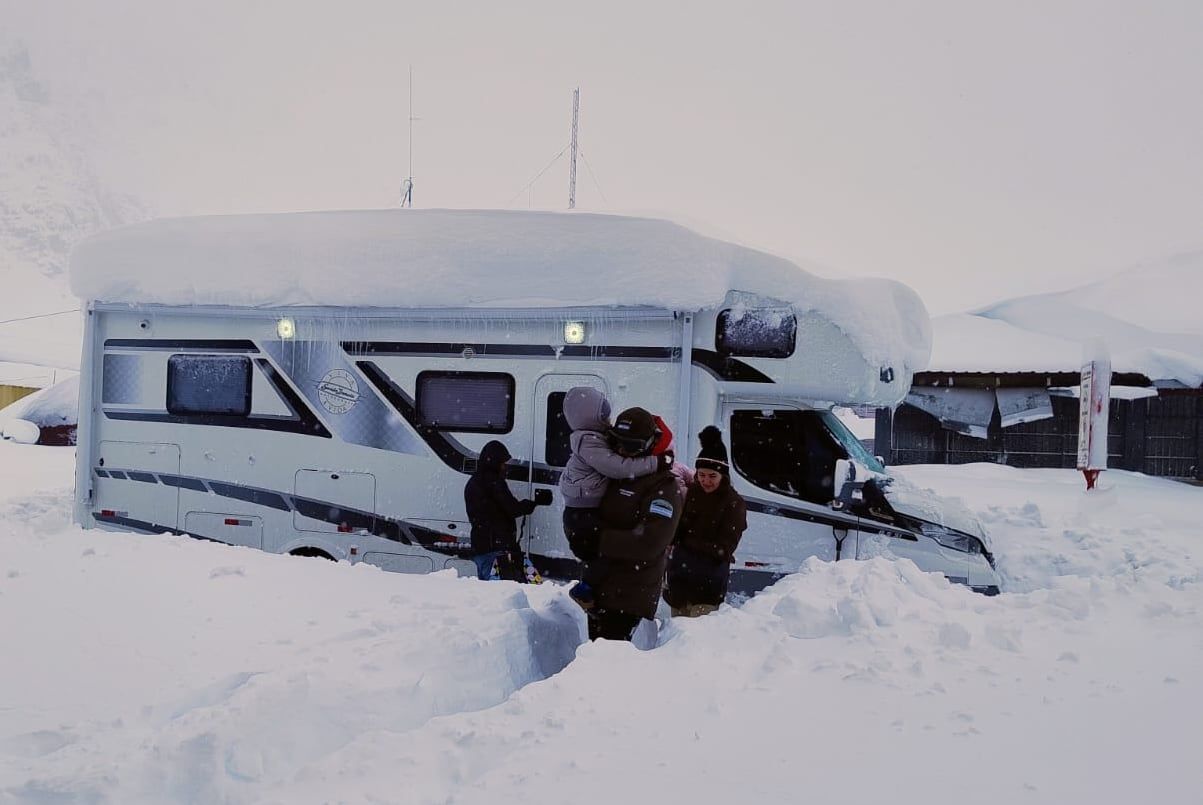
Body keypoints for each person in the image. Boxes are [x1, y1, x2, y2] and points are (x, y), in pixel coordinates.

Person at [558, 387, 670, 608]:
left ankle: (589, 587)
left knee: (600, 548)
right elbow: (616, 467)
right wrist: (656, 463)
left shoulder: (594, 437)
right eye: (604, 416)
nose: (607, 420)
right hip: (582, 511)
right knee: (599, 550)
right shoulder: (588, 441)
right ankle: (585, 590)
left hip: (584, 508)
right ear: (591, 416)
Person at [583, 407, 684, 641]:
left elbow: (650, 543)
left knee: (612, 666)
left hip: (629, 596)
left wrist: (599, 539)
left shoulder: (664, 487)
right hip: (602, 588)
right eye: (616, 443)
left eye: (630, 446)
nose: (621, 451)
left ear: (649, 444)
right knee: (593, 663)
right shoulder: (619, 476)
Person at [663, 426, 748, 617]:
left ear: (723, 475)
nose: (706, 481)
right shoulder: (693, 492)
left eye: (712, 476)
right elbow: (680, 526)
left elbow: (724, 549)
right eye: (701, 475)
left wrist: (685, 542)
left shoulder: (734, 503)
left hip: (707, 588)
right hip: (679, 584)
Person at [464, 440, 543, 581]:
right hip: (496, 549)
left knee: (488, 591)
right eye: (502, 463)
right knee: (502, 594)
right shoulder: (494, 482)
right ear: (494, 462)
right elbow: (512, 508)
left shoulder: (473, 482)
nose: (504, 467)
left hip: (480, 547)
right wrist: (528, 505)